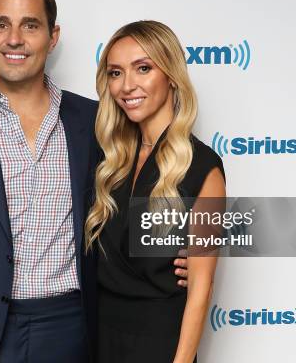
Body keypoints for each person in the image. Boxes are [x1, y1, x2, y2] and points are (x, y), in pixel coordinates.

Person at [0, 0, 189, 363]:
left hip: (73, 328)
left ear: (53, 36)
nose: (14, 39)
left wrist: (200, 248)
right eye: (1, 24)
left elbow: (158, 177)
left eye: (30, 25)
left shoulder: (95, 121)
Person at [85, 20, 226, 363]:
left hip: (159, 345)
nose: (126, 86)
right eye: (115, 73)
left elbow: (200, 290)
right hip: (100, 339)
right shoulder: (110, 160)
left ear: (172, 76)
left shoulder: (202, 165)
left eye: (143, 69)